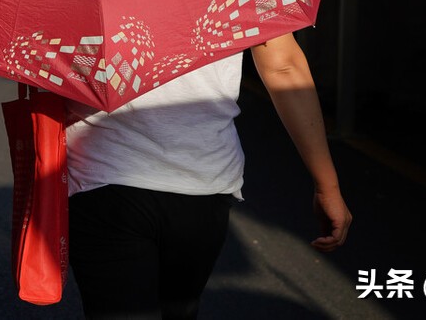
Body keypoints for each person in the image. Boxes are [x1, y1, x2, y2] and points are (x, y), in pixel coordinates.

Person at [65, 33, 352, 319]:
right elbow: (284, 67)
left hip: (102, 173)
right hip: (203, 178)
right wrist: (327, 186)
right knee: (178, 311)